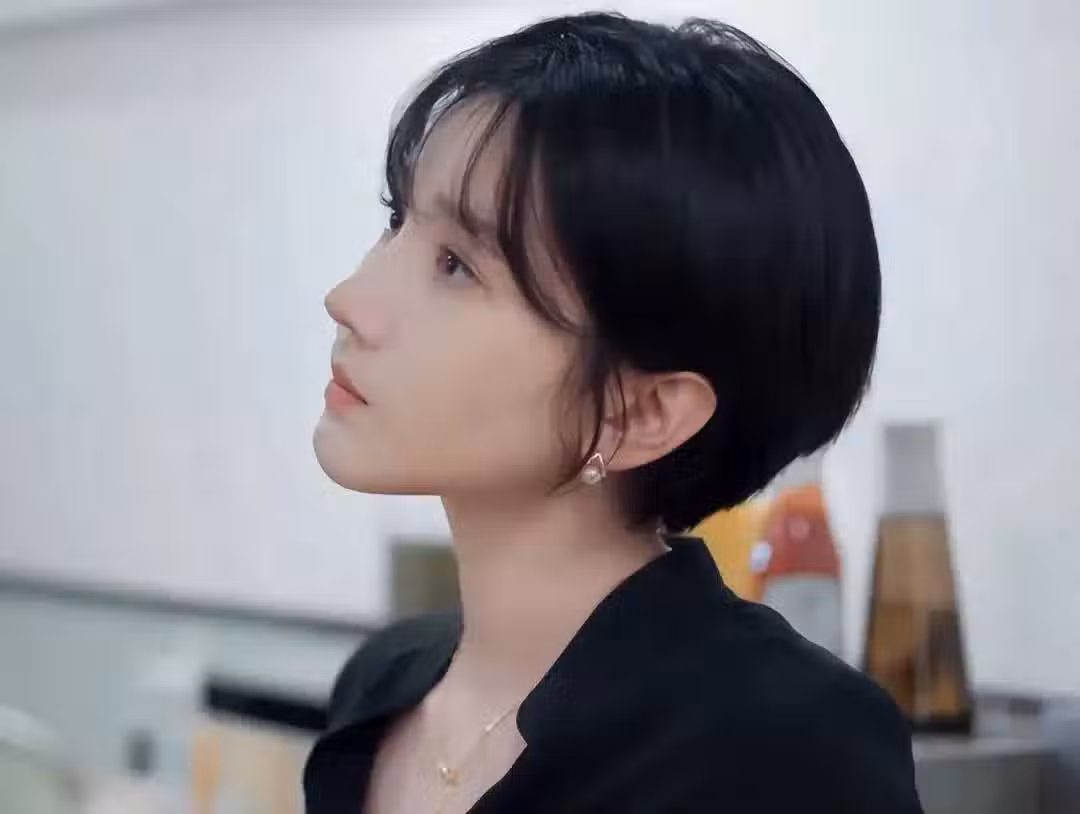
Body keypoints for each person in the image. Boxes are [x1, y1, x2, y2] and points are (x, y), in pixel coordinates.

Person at [305, 12, 923, 814]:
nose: (349, 298)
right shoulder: (381, 689)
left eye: (455, 265)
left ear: (641, 412)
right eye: (397, 221)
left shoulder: (787, 752)